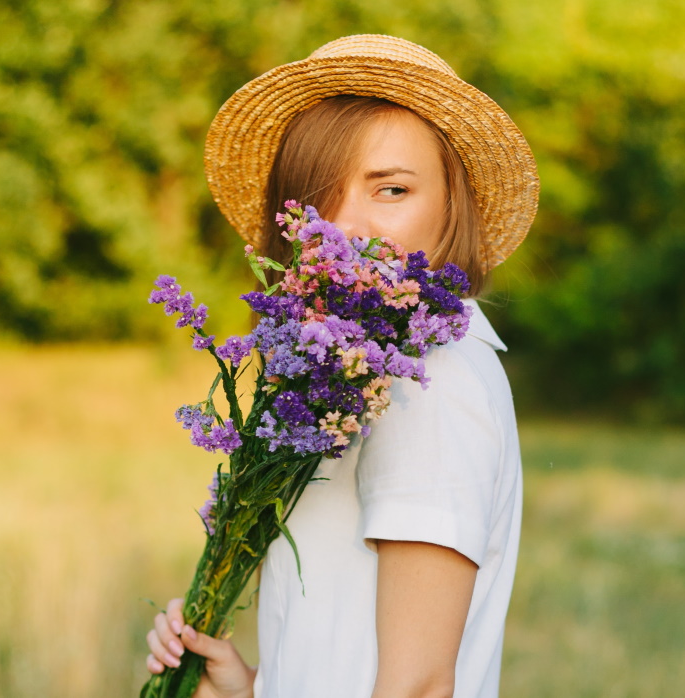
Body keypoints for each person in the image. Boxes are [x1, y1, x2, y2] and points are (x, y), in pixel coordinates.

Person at [144, 34, 539, 698]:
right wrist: (249, 689)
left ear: (454, 202)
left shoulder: (429, 381)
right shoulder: (354, 380)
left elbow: (416, 687)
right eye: (317, 199)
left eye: (391, 189)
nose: (347, 226)